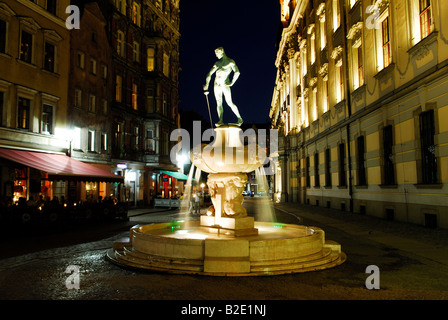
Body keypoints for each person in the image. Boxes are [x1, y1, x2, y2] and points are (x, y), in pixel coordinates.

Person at [203, 47, 243, 127]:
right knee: (219, 102)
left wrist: (232, 83)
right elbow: (209, 74)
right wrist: (207, 84)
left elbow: (237, 72)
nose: (216, 55)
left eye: (217, 54)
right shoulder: (217, 63)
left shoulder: (230, 62)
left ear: (221, 52)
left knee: (229, 102)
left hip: (224, 84)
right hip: (216, 85)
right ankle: (220, 119)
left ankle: (239, 118)